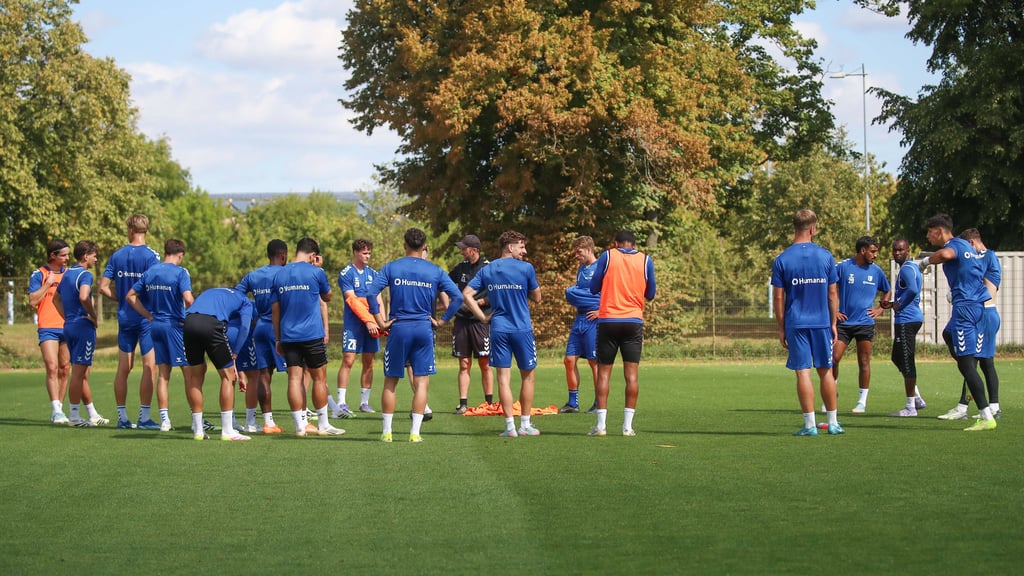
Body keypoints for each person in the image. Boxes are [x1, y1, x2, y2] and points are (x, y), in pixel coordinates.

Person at [366, 228, 463, 442]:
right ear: (425, 246)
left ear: (404, 245)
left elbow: (371, 292)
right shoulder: (435, 271)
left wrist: (380, 321)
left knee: (391, 381)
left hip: (398, 328)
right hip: (423, 329)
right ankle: (414, 433)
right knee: (421, 381)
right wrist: (442, 320)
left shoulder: (392, 267)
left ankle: (387, 432)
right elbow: (457, 298)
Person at [915, 214, 996, 431]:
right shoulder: (964, 244)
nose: (927, 236)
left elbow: (946, 254)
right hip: (976, 307)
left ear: (939, 231)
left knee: (968, 366)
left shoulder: (953, 246)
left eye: (929, 232)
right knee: (948, 334)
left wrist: (924, 262)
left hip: (966, 309)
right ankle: (963, 361)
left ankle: (986, 416)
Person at [771, 210, 843, 436]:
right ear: (812, 229)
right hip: (821, 322)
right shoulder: (826, 257)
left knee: (803, 373)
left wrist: (781, 328)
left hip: (796, 323)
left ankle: (810, 426)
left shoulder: (782, 259)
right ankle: (833, 423)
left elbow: (779, 297)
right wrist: (833, 323)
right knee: (826, 371)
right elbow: (832, 294)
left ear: (794, 228)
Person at [464, 230, 542, 437]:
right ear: (510, 246)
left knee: (503, 379)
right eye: (522, 246)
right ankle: (525, 425)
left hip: (498, 328)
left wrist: (482, 317)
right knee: (528, 377)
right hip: (522, 329)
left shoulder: (488, 270)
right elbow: (537, 297)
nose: (525, 251)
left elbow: (466, 295)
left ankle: (510, 428)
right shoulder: (526, 268)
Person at [272, 237, 345, 437]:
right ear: (313, 255)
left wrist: (278, 338)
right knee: (319, 378)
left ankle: (299, 427)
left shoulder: (279, 275)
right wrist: (319, 269)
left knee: (294, 379)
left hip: (288, 335)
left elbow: (275, 310)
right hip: (312, 334)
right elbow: (328, 296)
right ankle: (323, 425)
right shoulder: (316, 272)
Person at [587, 230, 656, 437]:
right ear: (634, 244)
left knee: (604, 373)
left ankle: (601, 426)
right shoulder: (646, 260)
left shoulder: (608, 256)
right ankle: (627, 427)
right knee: (632, 375)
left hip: (609, 320)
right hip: (633, 321)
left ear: (616, 243)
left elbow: (593, 287)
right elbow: (650, 293)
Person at [126, 239, 195, 432]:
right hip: (174, 326)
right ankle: (196, 418)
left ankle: (165, 420)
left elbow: (130, 296)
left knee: (164, 375)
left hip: (155, 325)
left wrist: (148, 315)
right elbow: (188, 299)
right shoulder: (181, 272)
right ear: (180, 255)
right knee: (189, 373)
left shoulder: (151, 272)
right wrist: (196, 315)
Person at [99, 213, 160, 430]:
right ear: (146, 231)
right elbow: (156, 285)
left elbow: (103, 287)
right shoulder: (152, 257)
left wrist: (121, 297)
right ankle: (144, 418)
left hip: (125, 317)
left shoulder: (117, 256)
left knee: (123, 367)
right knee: (149, 367)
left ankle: (122, 417)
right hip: (146, 317)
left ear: (130, 230)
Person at [938, 228, 1002, 421]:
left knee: (982, 362)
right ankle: (968, 406)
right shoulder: (974, 256)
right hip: (972, 310)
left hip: (984, 313)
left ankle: (987, 406)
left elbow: (986, 286)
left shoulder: (988, 256)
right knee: (951, 338)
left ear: (972, 243)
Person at [183, 287, 254, 441]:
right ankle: (228, 431)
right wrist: (234, 354)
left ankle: (198, 431)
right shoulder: (245, 301)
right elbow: (245, 327)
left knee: (195, 376)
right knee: (228, 377)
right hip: (211, 323)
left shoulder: (212, 290)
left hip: (188, 321)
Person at [235, 239, 289, 434]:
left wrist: (252, 313)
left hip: (260, 328)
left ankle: (268, 422)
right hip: (283, 329)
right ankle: (303, 418)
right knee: (300, 372)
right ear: (283, 256)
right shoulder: (287, 273)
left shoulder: (254, 275)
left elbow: (237, 295)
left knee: (262, 376)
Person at [832, 236, 891, 414]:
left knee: (864, 361)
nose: (875, 255)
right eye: (872, 251)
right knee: (833, 358)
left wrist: (881, 308)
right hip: (843, 323)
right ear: (863, 250)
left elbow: (887, 290)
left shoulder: (877, 271)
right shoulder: (843, 267)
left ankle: (861, 402)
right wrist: (833, 311)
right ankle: (831, 393)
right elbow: (829, 286)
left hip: (865, 323)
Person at [53, 241, 108, 427]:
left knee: (81, 372)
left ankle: (91, 414)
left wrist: (67, 317)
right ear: (85, 256)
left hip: (69, 326)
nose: (96, 259)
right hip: (82, 327)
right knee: (79, 373)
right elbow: (84, 296)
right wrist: (93, 316)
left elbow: (56, 298)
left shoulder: (67, 274)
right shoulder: (85, 275)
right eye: (94, 255)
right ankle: (74, 417)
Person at [333, 238, 384, 418]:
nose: (367, 256)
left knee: (369, 361)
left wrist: (381, 322)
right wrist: (369, 320)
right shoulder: (346, 273)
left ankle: (364, 402)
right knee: (348, 359)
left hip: (371, 324)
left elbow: (378, 300)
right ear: (355, 252)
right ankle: (341, 402)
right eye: (364, 252)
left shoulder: (374, 274)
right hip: (354, 324)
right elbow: (352, 301)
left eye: (369, 252)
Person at [446, 234, 494, 414]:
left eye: (463, 248)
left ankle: (488, 403)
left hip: (480, 321)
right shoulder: (461, 268)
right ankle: (463, 403)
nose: (461, 251)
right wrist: (452, 300)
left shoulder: (489, 268)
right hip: (461, 321)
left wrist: (479, 304)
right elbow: (446, 283)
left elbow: (495, 292)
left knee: (485, 362)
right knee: (464, 363)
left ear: (473, 250)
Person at [28, 239, 71, 424]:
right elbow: (32, 301)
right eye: (63, 255)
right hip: (47, 327)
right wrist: (48, 285)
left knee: (65, 368)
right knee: (52, 366)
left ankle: (59, 410)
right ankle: (55, 409)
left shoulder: (69, 274)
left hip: (67, 327)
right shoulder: (40, 274)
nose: (67, 258)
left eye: (68, 254)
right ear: (52, 255)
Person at [883, 238, 927, 416]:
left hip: (907, 320)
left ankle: (911, 407)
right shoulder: (912, 267)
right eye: (895, 250)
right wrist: (893, 303)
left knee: (907, 361)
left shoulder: (907, 269)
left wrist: (899, 304)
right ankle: (916, 396)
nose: (897, 253)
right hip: (910, 318)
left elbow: (913, 290)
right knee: (897, 357)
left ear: (908, 250)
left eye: (901, 250)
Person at [560, 235, 601, 414]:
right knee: (569, 360)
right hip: (580, 318)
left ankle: (599, 402)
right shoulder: (581, 269)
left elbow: (610, 292)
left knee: (594, 362)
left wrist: (601, 310)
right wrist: (578, 294)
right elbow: (578, 294)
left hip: (595, 319)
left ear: (589, 249)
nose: (576, 255)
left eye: (579, 252)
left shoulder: (601, 267)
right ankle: (572, 403)